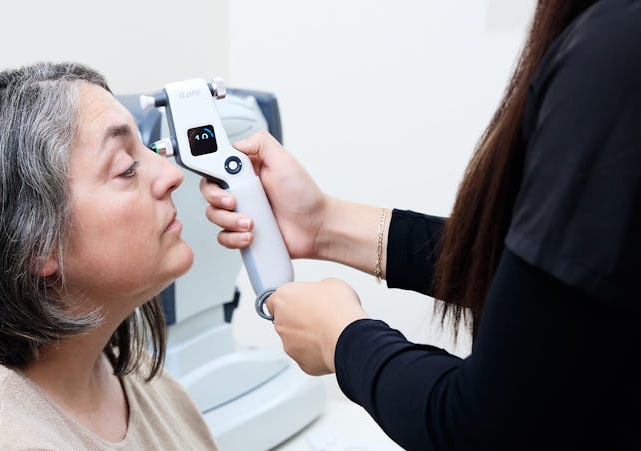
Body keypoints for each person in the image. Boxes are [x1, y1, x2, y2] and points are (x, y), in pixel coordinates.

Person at [201, 0, 641, 448]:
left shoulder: (616, 52)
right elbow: (555, 288)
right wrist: (323, 225)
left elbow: (487, 428)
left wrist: (340, 338)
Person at [0, 62, 217, 450]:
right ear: (33, 243)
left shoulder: (125, 369)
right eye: (127, 167)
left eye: (148, 150)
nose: (172, 175)